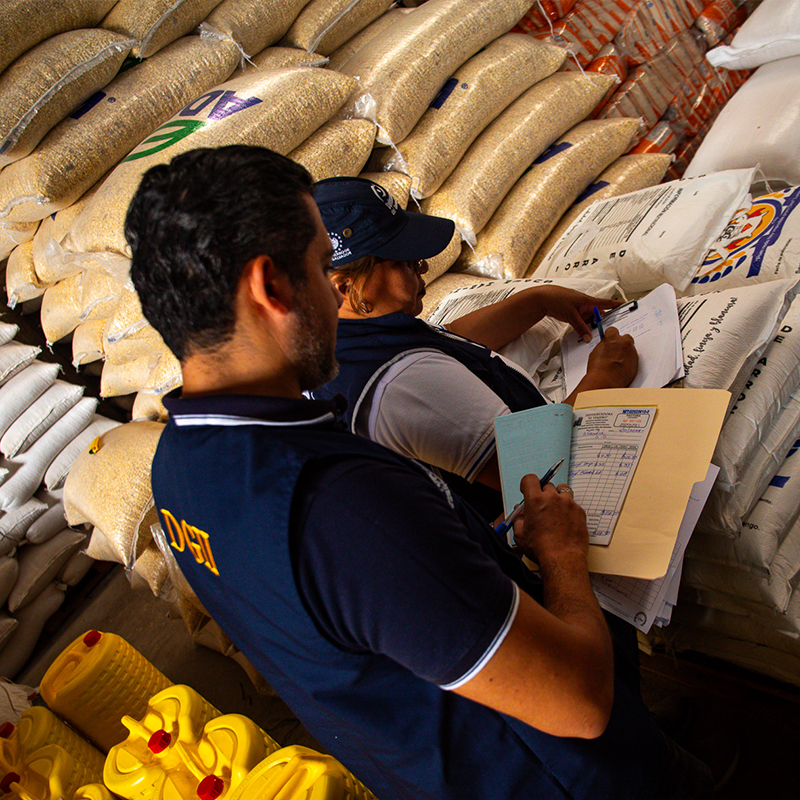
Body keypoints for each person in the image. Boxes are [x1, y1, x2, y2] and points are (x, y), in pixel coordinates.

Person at [127, 145, 713, 800]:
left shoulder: (176, 466)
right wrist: (563, 555)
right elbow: (578, 700)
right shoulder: (345, 509)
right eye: (321, 268)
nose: (333, 294)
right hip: (562, 774)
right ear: (272, 288)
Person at [310, 176, 638, 518]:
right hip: (533, 519)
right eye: (403, 261)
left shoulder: (343, 338)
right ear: (344, 288)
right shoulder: (399, 383)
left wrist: (537, 301)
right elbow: (534, 472)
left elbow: (448, 339)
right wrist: (604, 378)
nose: (423, 265)